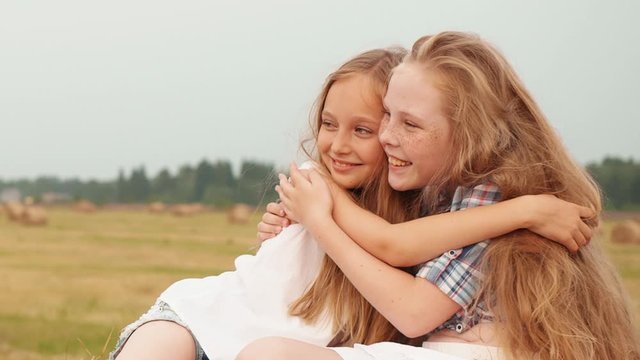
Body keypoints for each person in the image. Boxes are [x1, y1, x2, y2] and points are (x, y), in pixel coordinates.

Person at [110, 47, 592, 360]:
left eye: (369, 128)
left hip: (289, 342)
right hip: (211, 316)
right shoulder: (323, 187)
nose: (347, 144)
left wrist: (525, 209)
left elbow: (400, 255)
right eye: (329, 124)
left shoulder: (444, 203)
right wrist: (308, 222)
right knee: (157, 349)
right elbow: (390, 246)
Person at [240, 32, 640, 360]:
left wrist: (321, 218)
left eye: (410, 123)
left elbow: (410, 304)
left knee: (268, 355)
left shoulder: (490, 193)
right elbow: (385, 245)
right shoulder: (433, 189)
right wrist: (294, 228)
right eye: (387, 116)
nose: (386, 136)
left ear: (470, 134)